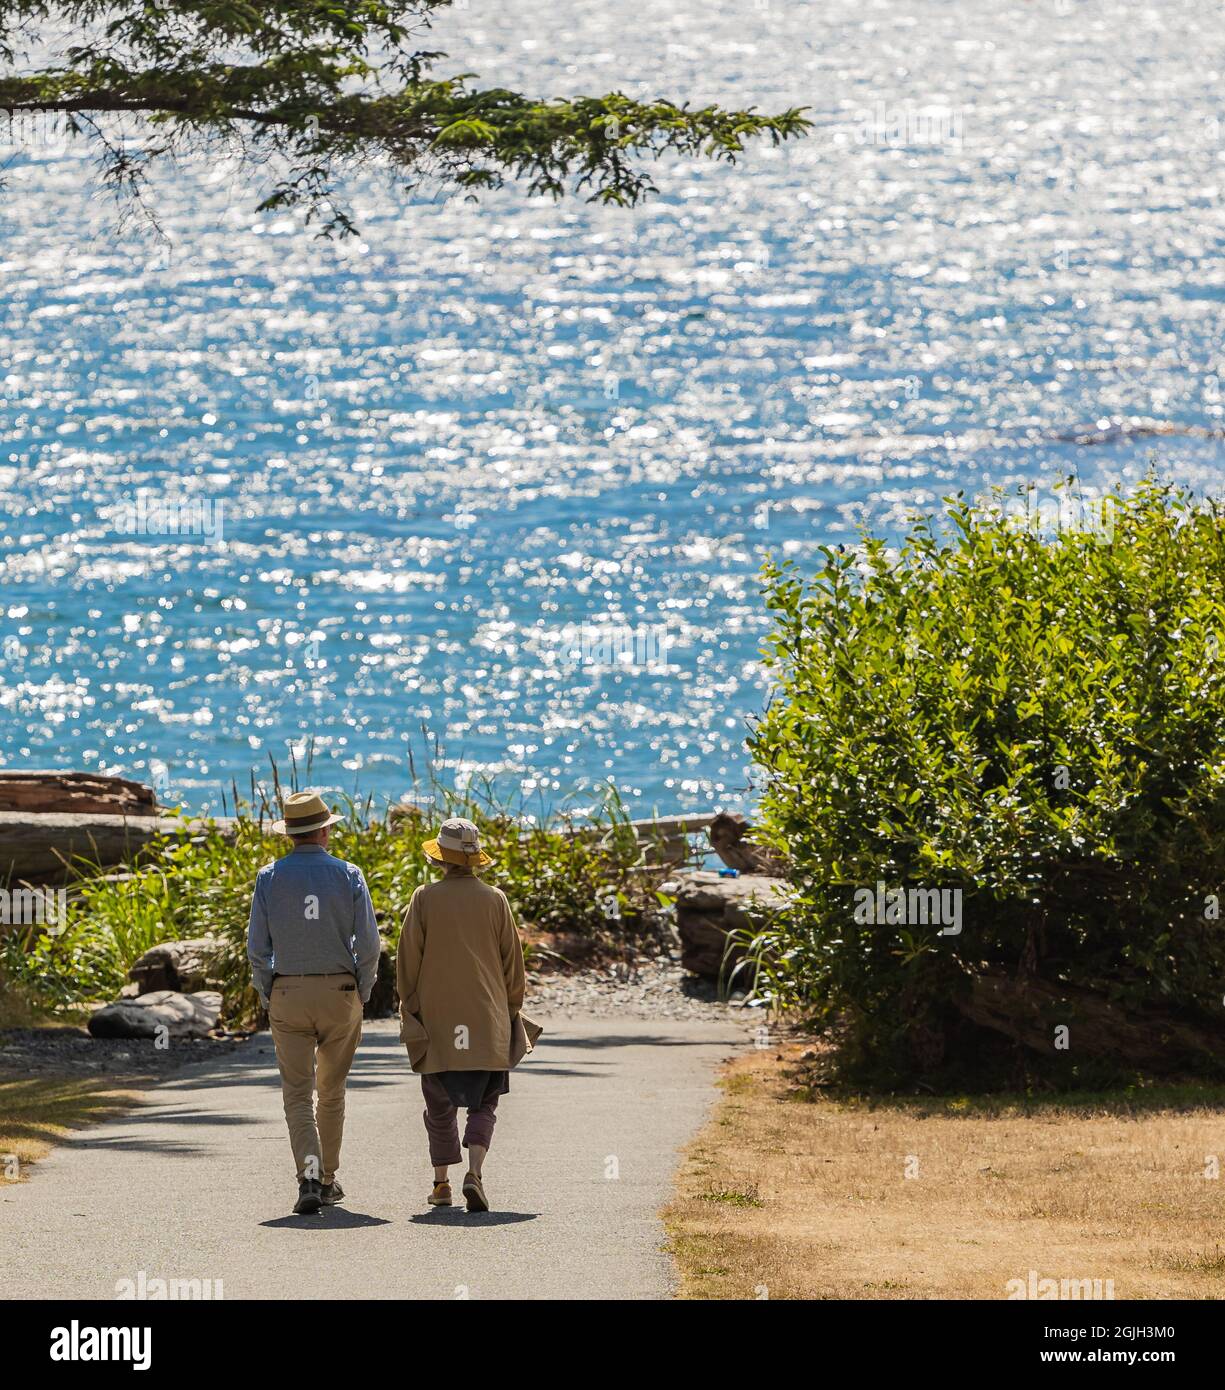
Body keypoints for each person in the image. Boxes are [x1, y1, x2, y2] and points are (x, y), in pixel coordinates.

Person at [247, 790, 381, 1215]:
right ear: (324, 830)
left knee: (297, 1093)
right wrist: (361, 988)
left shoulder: (269, 877)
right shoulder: (349, 874)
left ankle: (308, 1174)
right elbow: (370, 944)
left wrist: (269, 990)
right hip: (340, 991)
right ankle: (326, 1179)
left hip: (288, 990)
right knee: (332, 1090)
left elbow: (257, 947)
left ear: (290, 834)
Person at [397, 817, 537, 1213]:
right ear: (475, 859)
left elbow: (408, 960)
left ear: (441, 858)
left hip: (438, 1018)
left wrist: (410, 1005)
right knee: (484, 1102)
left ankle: (441, 1184)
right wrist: (510, 1008)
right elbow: (513, 963)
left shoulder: (424, 898)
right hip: (487, 1013)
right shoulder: (495, 900)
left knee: (438, 1104)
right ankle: (474, 1173)